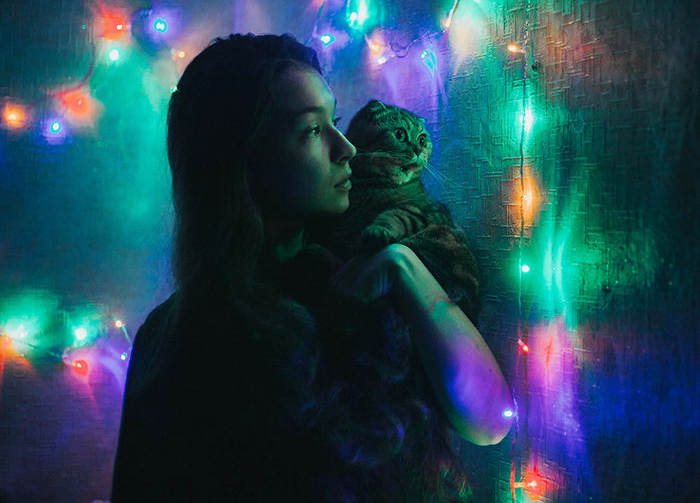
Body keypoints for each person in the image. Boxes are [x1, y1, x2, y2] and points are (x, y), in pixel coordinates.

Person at [111, 33, 513, 502]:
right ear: (242, 162)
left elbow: (490, 421)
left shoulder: (363, 281)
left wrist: (405, 266)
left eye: (336, 121)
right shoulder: (179, 337)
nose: (347, 149)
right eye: (312, 130)